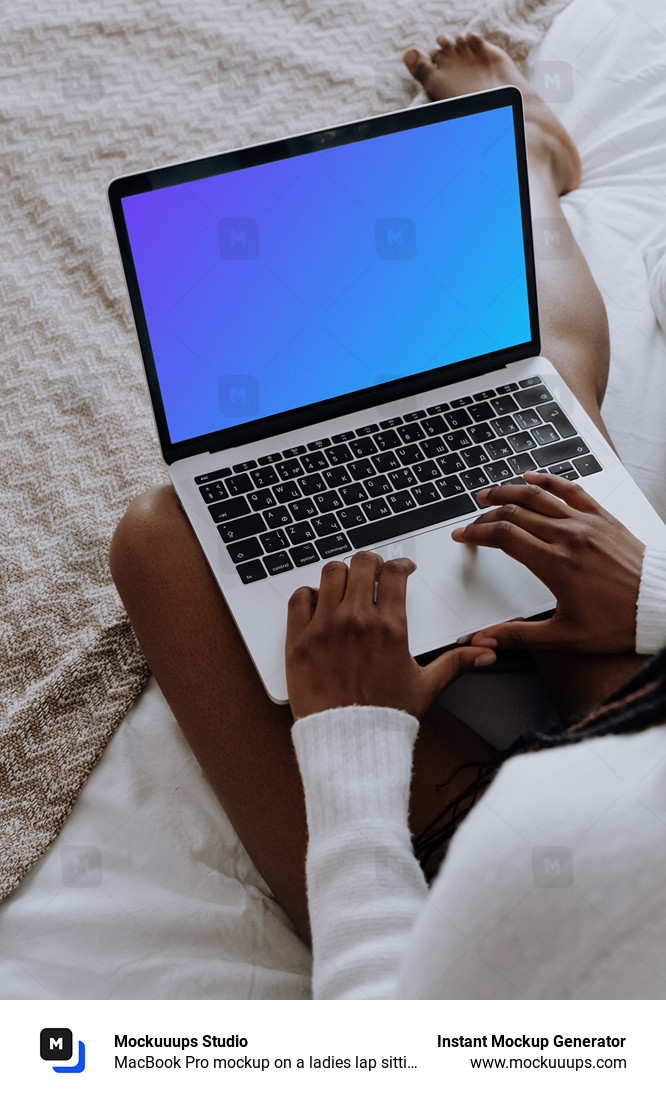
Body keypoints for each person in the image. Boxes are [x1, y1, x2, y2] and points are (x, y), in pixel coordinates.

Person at [109, 35, 666, 995]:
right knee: (543, 397)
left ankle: (521, 149)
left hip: (508, 899)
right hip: (641, 740)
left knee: (162, 535)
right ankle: (523, 150)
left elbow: (390, 1037)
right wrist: (652, 594)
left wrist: (351, 735)